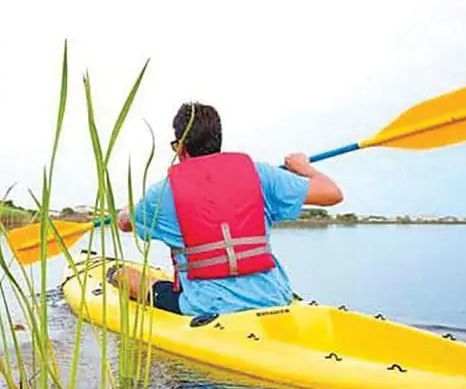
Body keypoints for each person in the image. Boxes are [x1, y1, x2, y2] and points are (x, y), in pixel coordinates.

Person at [112, 101, 343, 316]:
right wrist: (303, 167)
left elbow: (125, 223)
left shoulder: (162, 193)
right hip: (273, 297)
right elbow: (333, 193)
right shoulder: (260, 174)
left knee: (123, 276)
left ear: (180, 147)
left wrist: (124, 211)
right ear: (217, 141)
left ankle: (113, 274)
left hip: (205, 306)